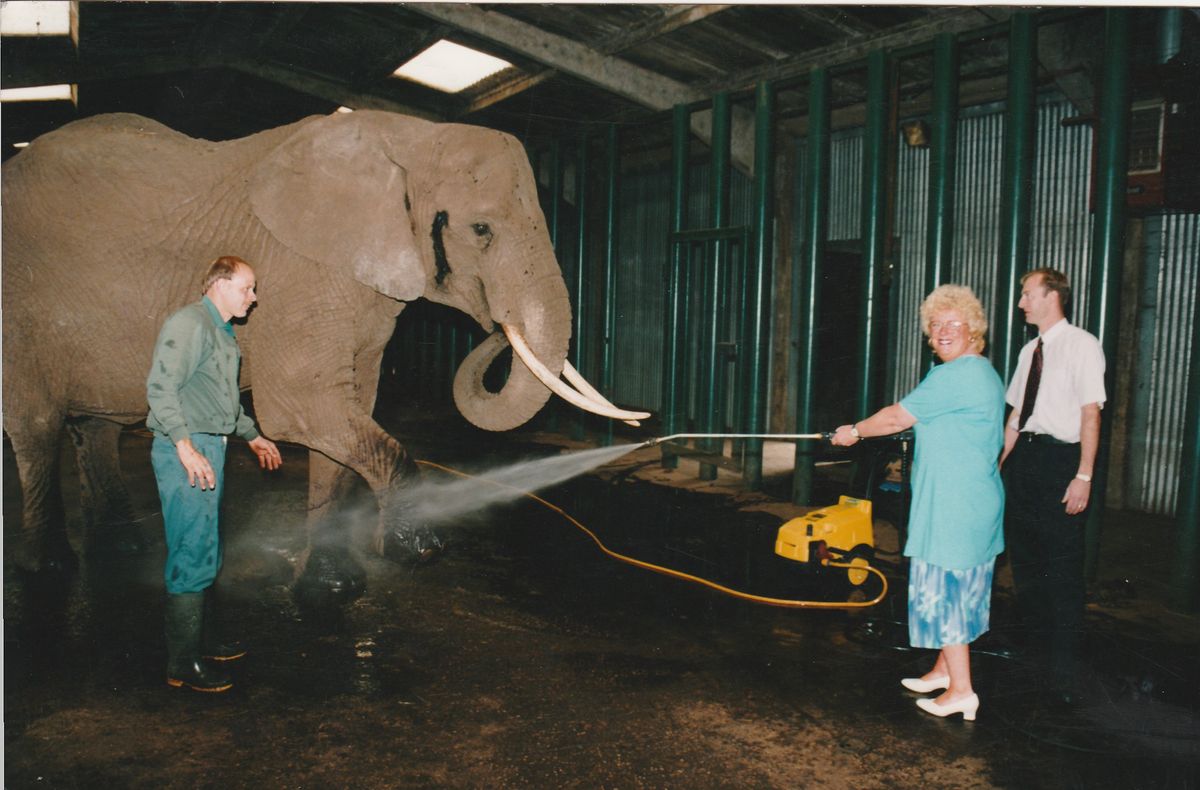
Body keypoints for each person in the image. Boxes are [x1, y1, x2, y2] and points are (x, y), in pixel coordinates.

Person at [832, 284, 1005, 721]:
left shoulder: (955, 375)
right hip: (973, 502)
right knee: (965, 591)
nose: (943, 331)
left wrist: (853, 430)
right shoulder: (982, 371)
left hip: (954, 505)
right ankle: (944, 671)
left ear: (973, 330)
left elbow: (895, 417)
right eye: (936, 324)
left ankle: (962, 691)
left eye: (953, 323)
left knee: (948, 593)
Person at [146, 255, 283, 692]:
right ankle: (182, 664)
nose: (254, 297)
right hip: (186, 447)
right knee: (192, 548)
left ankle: (198, 641)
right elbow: (160, 389)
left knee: (206, 545)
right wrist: (184, 446)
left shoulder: (222, 333)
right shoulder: (189, 324)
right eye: (247, 288)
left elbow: (223, 401)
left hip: (210, 445)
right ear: (219, 285)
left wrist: (251, 435)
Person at [999, 268, 1105, 702]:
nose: (1021, 302)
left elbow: (1090, 415)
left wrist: (1083, 476)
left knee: (1060, 563)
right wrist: (1000, 466)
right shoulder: (1029, 352)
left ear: (1051, 296)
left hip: (1061, 459)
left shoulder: (1083, 345)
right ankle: (1033, 654)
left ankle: (1064, 668)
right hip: (1025, 456)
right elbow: (1016, 417)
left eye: (1027, 294)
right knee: (1024, 559)